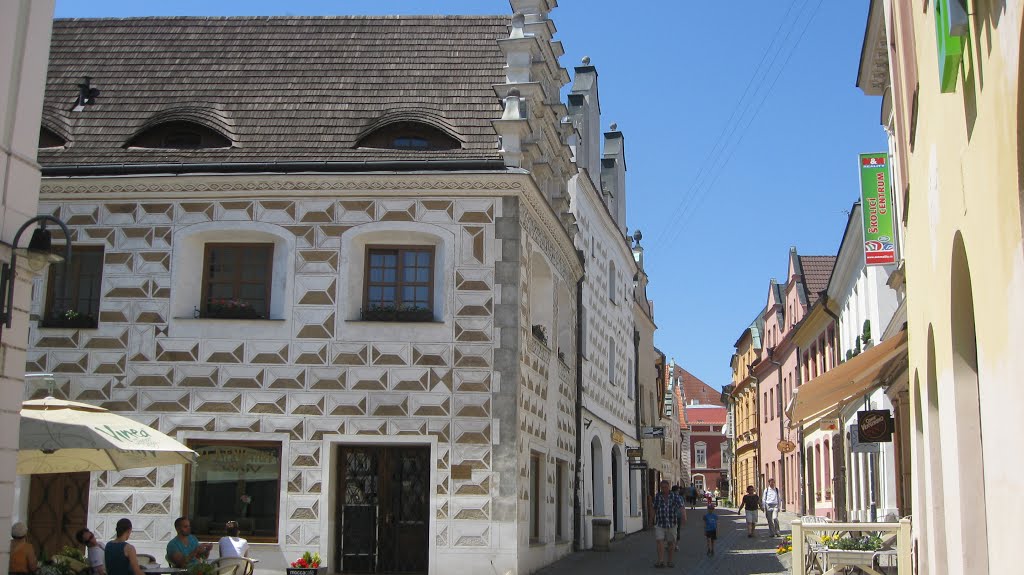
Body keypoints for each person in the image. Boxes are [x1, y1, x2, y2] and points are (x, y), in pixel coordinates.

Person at [647, 479, 683, 569]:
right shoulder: (657, 497)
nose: (664, 489)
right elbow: (654, 509)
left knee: (670, 543)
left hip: (672, 523)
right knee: (659, 541)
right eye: (662, 488)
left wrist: (684, 517)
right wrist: (651, 520)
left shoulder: (674, 496)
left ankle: (670, 561)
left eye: (665, 487)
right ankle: (660, 561)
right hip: (660, 523)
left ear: (669, 487)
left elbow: (681, 506)